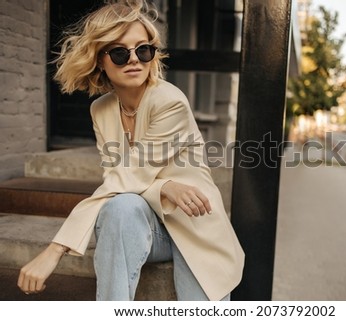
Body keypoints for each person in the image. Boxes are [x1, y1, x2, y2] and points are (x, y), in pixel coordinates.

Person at [17, 0, 244, 301]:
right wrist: (166, 187)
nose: (134, 60)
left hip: (193, 222)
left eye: (143, 50)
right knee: (119, 208)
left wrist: (55, 250)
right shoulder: (101, 109)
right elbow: (119, 183)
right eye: (120, 53)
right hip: (146, 225)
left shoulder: (168, 101)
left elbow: (127, 177)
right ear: (100, 60)